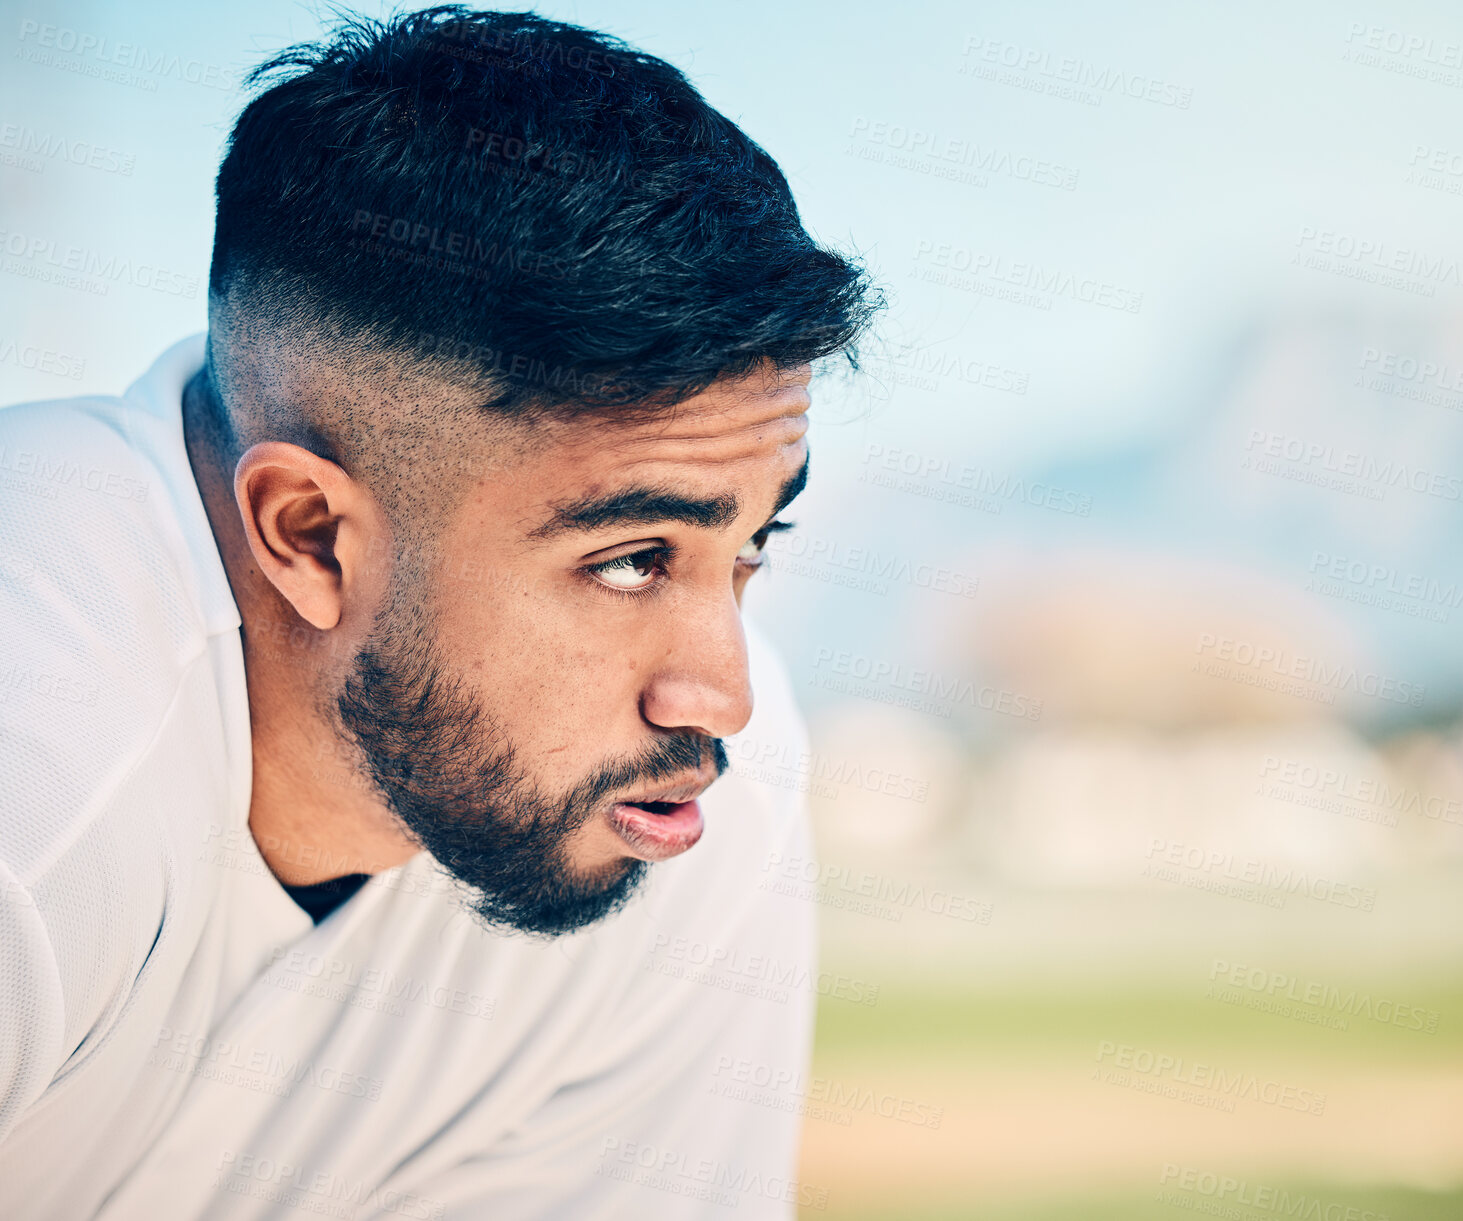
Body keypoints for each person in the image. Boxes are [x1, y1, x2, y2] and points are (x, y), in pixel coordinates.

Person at [0, 7, 876, 1217]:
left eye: (749, 543)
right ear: (308, 533)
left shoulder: (688, 793)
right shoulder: (32, 748)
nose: (716, 696)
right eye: (629, 559)